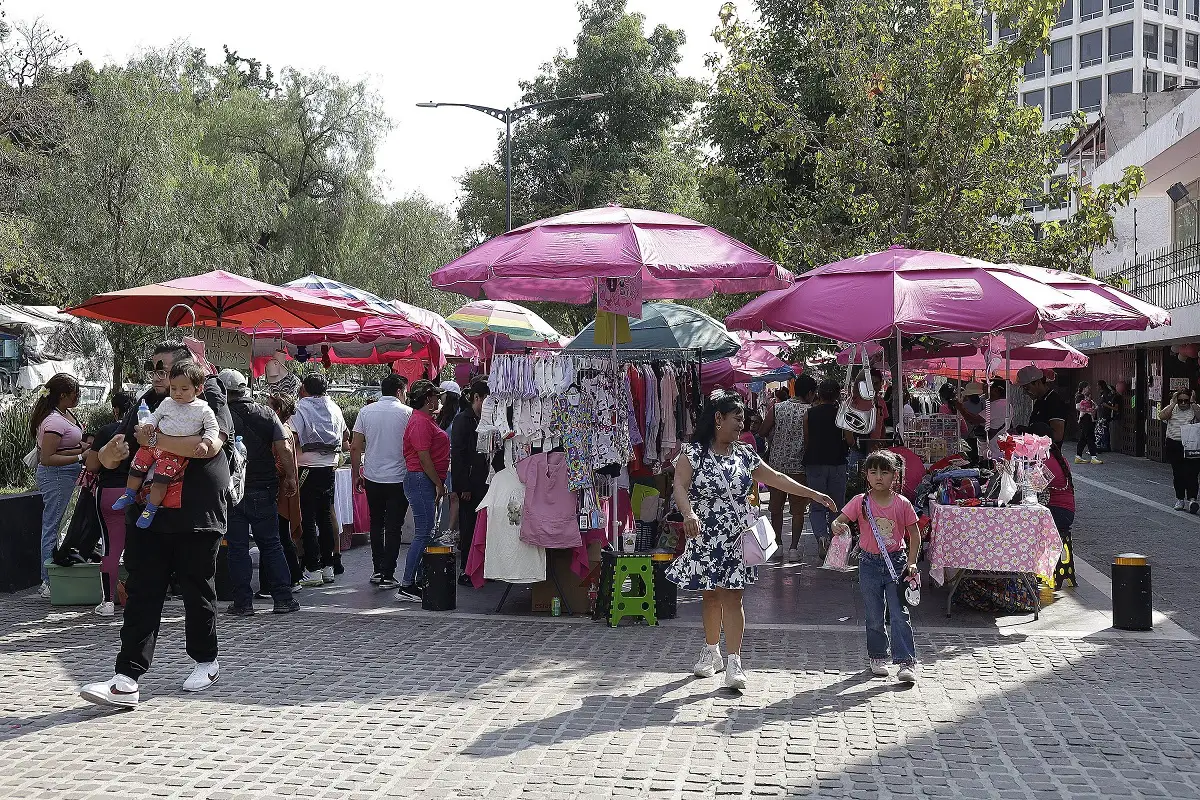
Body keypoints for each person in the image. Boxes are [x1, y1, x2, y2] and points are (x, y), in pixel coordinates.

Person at [80, 342, 233, 708]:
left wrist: (155, 440)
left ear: (189, 371)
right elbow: (116, 449)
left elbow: (209, 446)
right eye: (154, 367)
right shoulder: (148, 401)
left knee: (197, 590)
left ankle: (205, 659)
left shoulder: (209, 395)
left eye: (165, 367)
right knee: (143, 591)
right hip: (148, 512)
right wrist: (107, 454)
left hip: (196, 513)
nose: (159, 375)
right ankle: (126, 677)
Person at [666, 390, 838, 691]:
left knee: (733, 596)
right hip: (704, 535)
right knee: (709, 595)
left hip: (736, 537)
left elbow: (777, 478)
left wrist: (812, 494)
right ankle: (711, 651)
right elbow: (679, 486)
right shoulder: (692, 453)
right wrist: (688, 512)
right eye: (737, 419)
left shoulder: (745, 453)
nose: (741, 425)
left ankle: (734, 660)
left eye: (743, 420)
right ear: (718, 419)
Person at [831, 450, 921, 684]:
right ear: (867, 475)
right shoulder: (860, 502)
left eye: (885, 472)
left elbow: (914, 533)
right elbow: (839, 520)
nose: (879, 476)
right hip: (869, 563)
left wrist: (911, 562)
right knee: (873, 614)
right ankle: (878, 656)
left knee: (900, 614)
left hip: (896, 562)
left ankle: (906, 661)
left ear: (895, 475)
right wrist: (836, 526)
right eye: (874, 472)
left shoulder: (902, 504)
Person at [220, 369, 299, 616]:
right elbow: (284, 449)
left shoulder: (220, 416)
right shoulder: (266, 413)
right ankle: (283, 598)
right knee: (272, 544)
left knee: (237, 547)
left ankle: (243, 603)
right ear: (245, 389)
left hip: (232, 489)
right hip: (264, 487)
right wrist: (291, 477)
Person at [112, 362, 221, 531]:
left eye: (184, 389)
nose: (177, 393)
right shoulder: (167, 403)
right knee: (136, 467)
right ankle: (129, 493)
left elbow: (213, 429)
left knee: (160, 481)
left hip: (174, 452)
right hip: (153, 444)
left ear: (198, 389)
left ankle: (151, 509)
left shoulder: (203, 409)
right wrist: (149, 424)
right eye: (174, 388)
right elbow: (155, 416)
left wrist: (206, 443)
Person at [351, 373, 411, 590]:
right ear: (399, 391)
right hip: (398, 477)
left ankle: (377, 568)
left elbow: (355, 445)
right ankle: (388, 571)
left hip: (373, 476)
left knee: (376, 523)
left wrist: (356, 473)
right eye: (405, 391)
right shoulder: (407, 413)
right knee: (394, 525)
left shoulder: (366, 411)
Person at [31, 373, 87, 598]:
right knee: (53, 524)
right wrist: (79, 458)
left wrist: (81, 449)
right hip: (56, 476)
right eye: (75, 394)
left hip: (68, 474)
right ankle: (47, 580)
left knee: (63, 524)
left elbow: (64, 448)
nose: (78, 398)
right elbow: (47, 457)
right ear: (63, 395)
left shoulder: (66, 414)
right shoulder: (53, 421)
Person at [397, 379, 450, 602]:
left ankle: (415, 581)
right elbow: (423, 457)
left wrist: (438, 482)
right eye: (436, 396)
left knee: (426, 531)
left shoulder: (424, 420)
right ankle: (408, 584)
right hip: (421, 479)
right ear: (428, 399)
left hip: (423, 479)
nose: (438, 400)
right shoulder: (420, 422)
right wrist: (438, 482)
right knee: (424, 532)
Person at [292, 373, 347, 587]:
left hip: (307, 467)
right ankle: (328, 566)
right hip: (328, 467)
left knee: (307, 518)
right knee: (324, 516)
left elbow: (293, 437)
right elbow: (345, 435)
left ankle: (312, 568)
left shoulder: (301, 407)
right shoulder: (334, 407)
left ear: (304, 388)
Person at [86, 390, 135, 616]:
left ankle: (107, 602)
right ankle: (139, 596)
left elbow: (93, 466)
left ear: (115, 410)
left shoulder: (107, 431)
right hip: (139, 492)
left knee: (110, 547)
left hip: (109, 492)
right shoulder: (145, 432)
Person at [761, 373, 818, 555]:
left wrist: (774, 438)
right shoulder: (810, 411)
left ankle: (778, 544)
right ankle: (794, 548)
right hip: (800, 467)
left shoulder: (777, 408)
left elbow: (762, 430)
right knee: (798, 510)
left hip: (776, 466)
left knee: (776, 509)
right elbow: (811, 441)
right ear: (810, 393)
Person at [803, 379, 856, 560]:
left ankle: (821, 537)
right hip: (837, 461)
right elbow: (849, 440)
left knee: (817, 504)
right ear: (836, 395)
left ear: (819, 393)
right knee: (836, 505)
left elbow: (807, 439)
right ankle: (835, 540)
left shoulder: (809, 414)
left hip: (814, 461)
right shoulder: (842, 414)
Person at [262, 393, 304, 597]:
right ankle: (293, 575)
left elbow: (281, 463)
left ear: (277, 410)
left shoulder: (280, 431)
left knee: (276, 535)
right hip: (281, 489)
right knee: (281, 535)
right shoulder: (282, 428)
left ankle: (286, 579)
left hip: (279, 490)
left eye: (269, 406)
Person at [451, 378, 491, 585]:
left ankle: (482, 567)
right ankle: (466, 570)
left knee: (483, 527)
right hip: (470, 484)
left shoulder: (483, 420)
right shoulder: (463, 420)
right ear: (477, 398)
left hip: (485, 482)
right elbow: (457, 455)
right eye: (487, 400)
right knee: (468, 528)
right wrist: (462, 486)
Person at [1160, 388, 1199, 513]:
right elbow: (1162, 416)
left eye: (1185, 401)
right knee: (1178, 473)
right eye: (1180, 400)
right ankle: (1180, 499)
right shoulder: (1172, 408)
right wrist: (1173, 403)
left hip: (1192, 445)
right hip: (1174, 443)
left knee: (1192, 473)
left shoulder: (1195, 407)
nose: (1183, 403)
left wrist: (1193, 403)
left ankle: (1193, 499)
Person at [436, 380, 462, 539]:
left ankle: (451, 530)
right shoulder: (441, 415)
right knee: (442, 495)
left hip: (453, 461)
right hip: (441, 461)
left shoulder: (458, 415)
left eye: (442, 394)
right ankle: (441, 528)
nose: (440, 397)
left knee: (453, 496)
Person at [1018, 366, 1068, 446]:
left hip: (1049, 454)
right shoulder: (1039, 401)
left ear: (1038, 383)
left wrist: (1034, 430)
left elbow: (1058, 435)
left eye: (1027, 388)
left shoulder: (1054, 401)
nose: (1025, 393)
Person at [1074, 381, 1102, 465]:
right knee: (1090, 437)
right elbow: (1078, 407)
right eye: (1087, 387)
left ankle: (1078, 456)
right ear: (1083, 388)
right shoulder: (1080, 396)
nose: (1089, 389)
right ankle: (1093, 456)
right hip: (1084, 419)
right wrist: (1088, 410)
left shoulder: (1085, 397)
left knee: (1083, 439)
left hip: (1088, 419)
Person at [984, 379, 1009, 461]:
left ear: (995, 391)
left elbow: (975, 419)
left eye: (987, 388)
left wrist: (960, 408)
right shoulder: (1005, 403)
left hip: (995, 449)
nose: (985, 392)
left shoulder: (998, 404)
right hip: (997, 446)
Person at [1096, 380, 1117, 452]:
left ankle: (1106, 445)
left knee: (1104, 429)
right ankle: (1102, 445)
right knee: (1101, 430)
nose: (1097, 387)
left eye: (1098, 385)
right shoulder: (1102, 392)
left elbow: (1110, 403)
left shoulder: (1107, 393)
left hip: (1105, 414)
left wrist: (1105, 405)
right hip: (1102, 413)